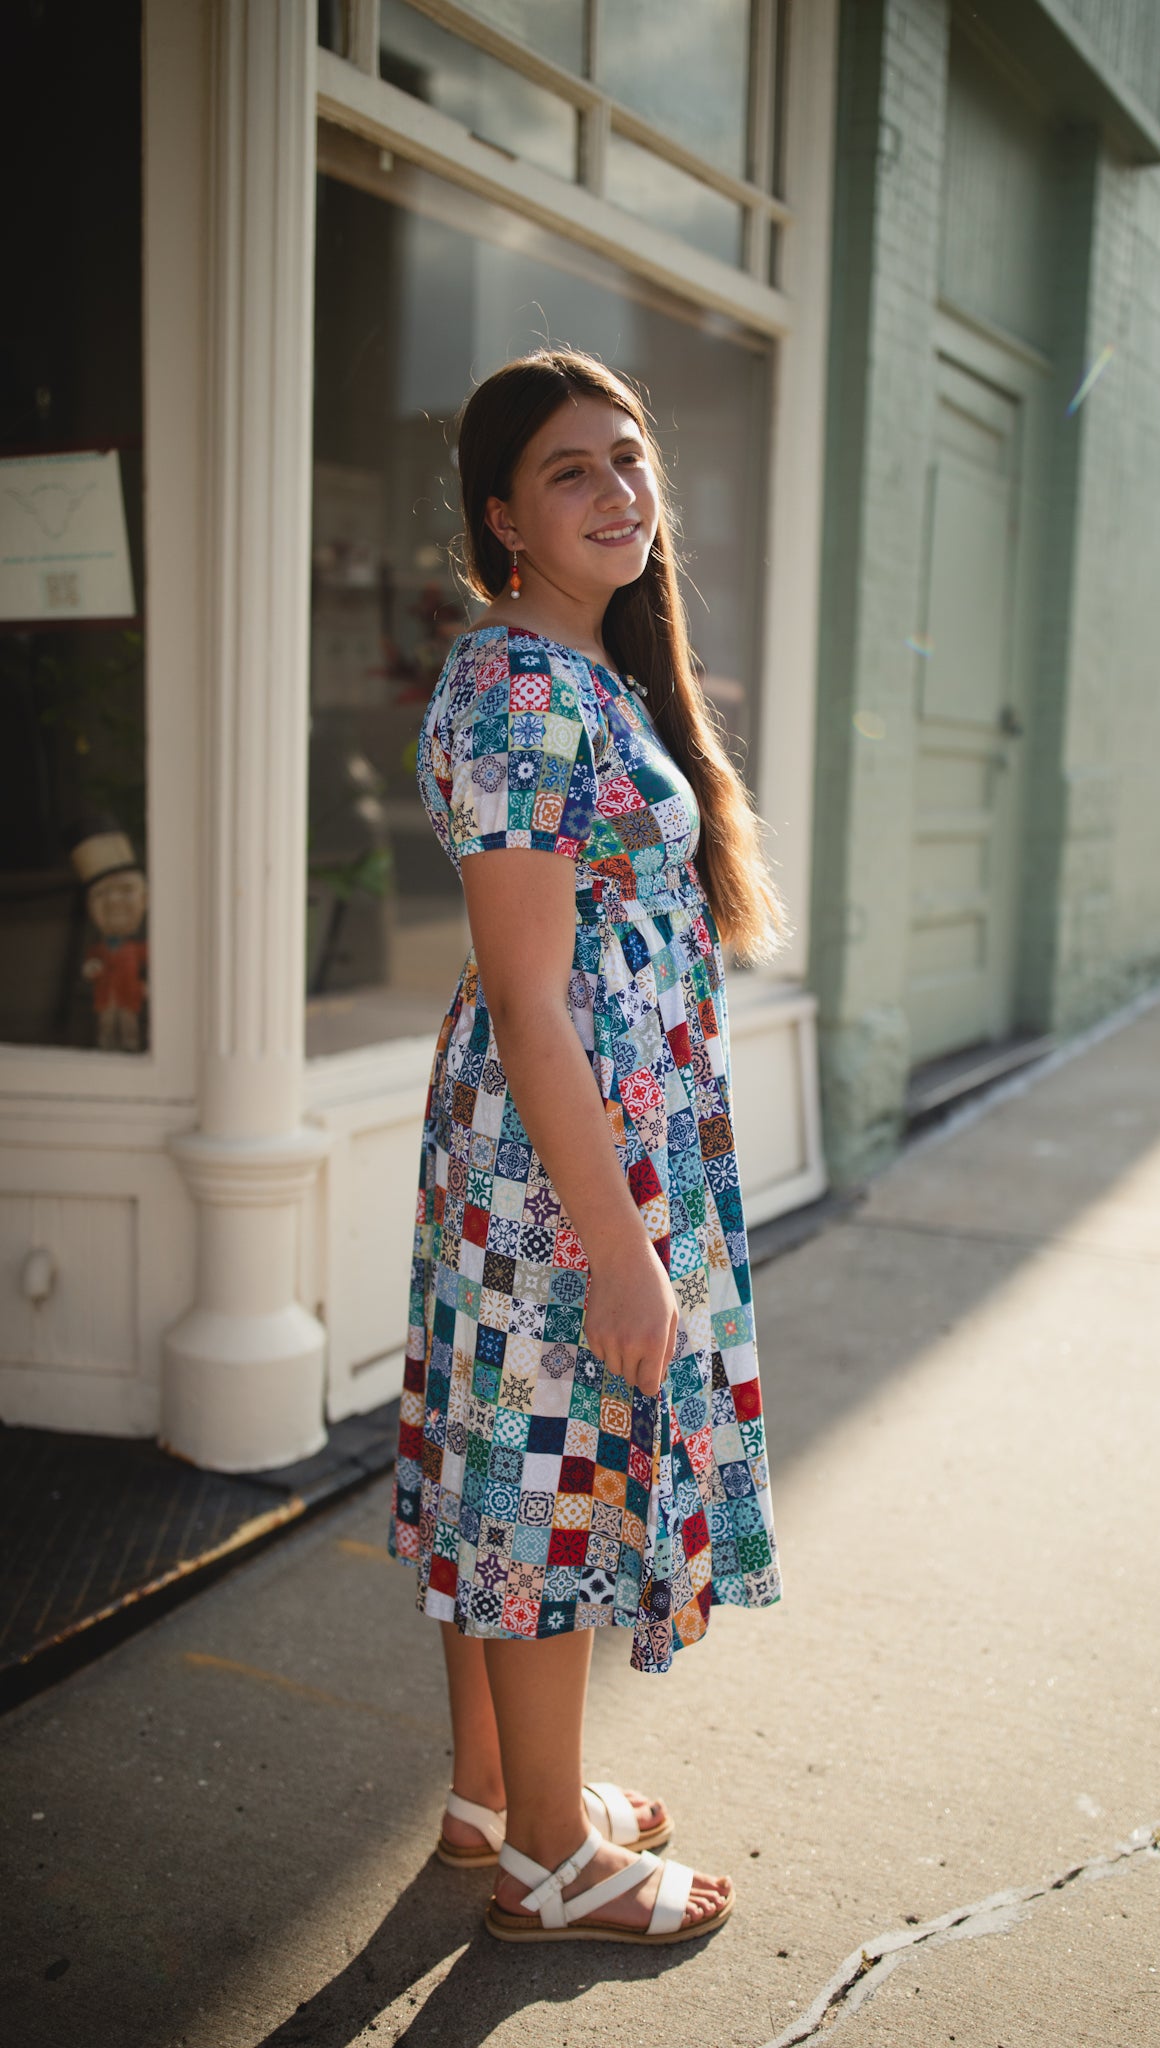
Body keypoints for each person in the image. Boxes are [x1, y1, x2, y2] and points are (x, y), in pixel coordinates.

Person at [386, 347, 787, 1946]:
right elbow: (530, 999)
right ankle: (552, 1859)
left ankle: (495, 1796)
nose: (619, 490)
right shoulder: (517, 692)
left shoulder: (583, 672)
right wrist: (618, 1247)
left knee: (509, 1458)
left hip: (585, 1140)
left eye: (628, 458)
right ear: (503, 518)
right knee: (539, 1475)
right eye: (571, 470)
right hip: (560, 1162)